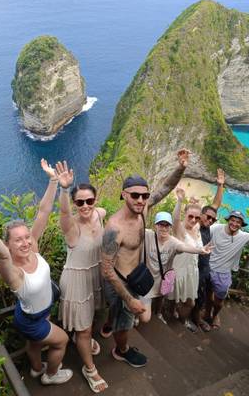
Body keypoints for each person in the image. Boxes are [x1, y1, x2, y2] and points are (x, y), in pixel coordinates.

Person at [0, 159, 73, 385]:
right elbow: (2, 256)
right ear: (9, 244)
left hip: (33, 314)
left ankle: (35, 369)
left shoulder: (34, 248)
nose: (25, 243)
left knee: (34, 344)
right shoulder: (14, 272)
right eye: (18, 240)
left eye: (26, 237)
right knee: (61, 341)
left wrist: (53, 181)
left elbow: (43, 211)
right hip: (32, 320)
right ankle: (51, 375)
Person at [102, 148, 190, 368]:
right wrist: (129, 299)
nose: (141, 199)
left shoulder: (143, 210)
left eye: (144, 195)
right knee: (124, 325)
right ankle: (121, 350)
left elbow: (166, 188)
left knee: (120, 315)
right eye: (135, 195)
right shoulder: (115, 228)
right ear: (123, 195)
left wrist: (180, 167)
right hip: (121, 282)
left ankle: (108, 322)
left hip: (137, 275)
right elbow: (106, 269)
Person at [55, 161, 108, 394]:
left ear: (95, 201)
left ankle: (82, 338)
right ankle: (89, 369)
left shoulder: (101, 214)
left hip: (95, 276)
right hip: (76, 281)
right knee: (84, 329)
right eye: (80, 202)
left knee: (92, 315)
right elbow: (64, 213)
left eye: (89, 201)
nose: (85, 206)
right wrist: (65, 189)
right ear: (75, 204)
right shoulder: (72, 227)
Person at [139, 211, 213, 325]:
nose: (163, 228)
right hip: (146, 279)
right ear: (155, 225)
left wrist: (200, 250)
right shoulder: (148, 235)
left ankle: (158, 313)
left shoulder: (173, 242)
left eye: (167, 225)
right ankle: (137, 315)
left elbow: (184, 247)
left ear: (170, 227)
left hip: (164, 278)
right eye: (161, 224)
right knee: (144, 318)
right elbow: (135, 226)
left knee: (161, 297)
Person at [192, 168, 225, 332]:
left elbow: (216, 205)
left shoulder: (207, 227)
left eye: (213, 219)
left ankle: (196, 319)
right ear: (200, 215)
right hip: (194, 268)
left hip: (205, 268)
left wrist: (220, 185)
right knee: (195, 297)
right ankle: (194, 320)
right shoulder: (194, 225)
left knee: (201, 297)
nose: (211, 220)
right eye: (208, 217)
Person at [169, 189, 204, 332]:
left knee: (190, 302)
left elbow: (210, 210)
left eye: (197, 218)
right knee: (172, 297)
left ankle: (183, 319)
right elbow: (175, 218)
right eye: (190, 216)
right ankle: (170, 314)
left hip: (192, 271)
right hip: (179, 270)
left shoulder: (197, 227)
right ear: (185, 214)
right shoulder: (180, 229)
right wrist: (179, 201)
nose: (193, 220)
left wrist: (195, 205)